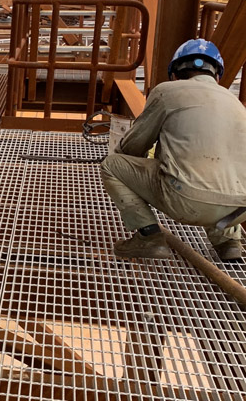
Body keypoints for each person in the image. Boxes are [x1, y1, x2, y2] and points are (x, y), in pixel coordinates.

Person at [100, 38, 246, 261]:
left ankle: (149, 237)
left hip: (186, 201)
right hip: (238, 211)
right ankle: (229, 242)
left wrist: (140, 168)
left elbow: (133, 147)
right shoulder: (236, 103)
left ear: (175, 74)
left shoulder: (166, 92)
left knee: (112, 165)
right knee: (217, 170)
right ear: (217, 76)